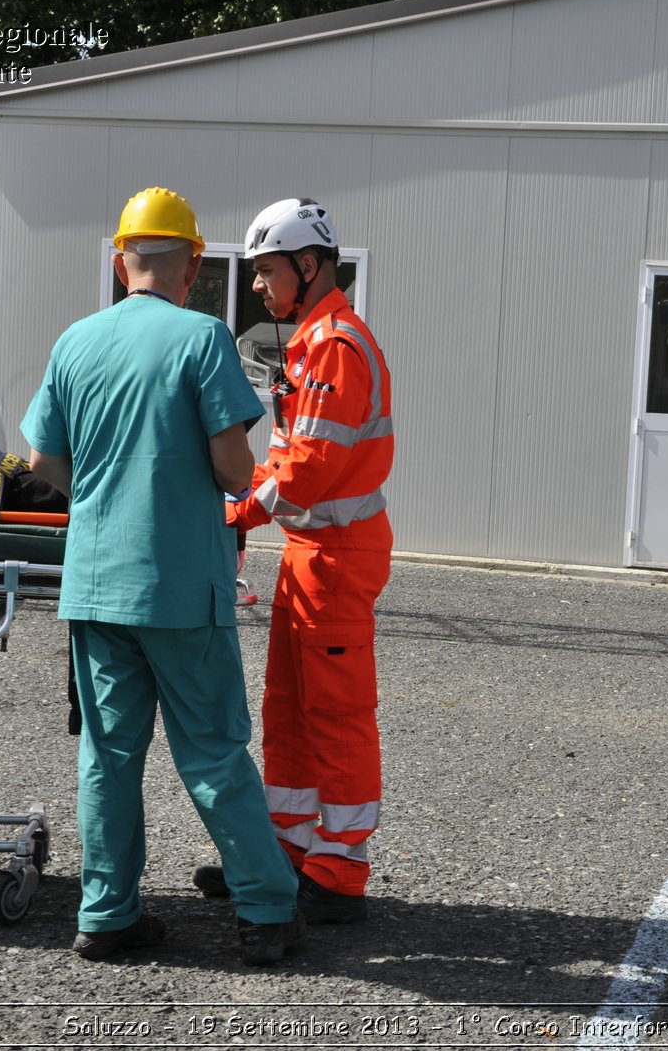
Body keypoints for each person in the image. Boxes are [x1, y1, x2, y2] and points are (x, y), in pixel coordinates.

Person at [20, 187, 302, 964]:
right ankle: (267, 910)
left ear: (120, 260)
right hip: (179, 583)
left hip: (97, 582)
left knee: (108, 756)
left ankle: (107, 915)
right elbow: (231, 466)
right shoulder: (204, 338)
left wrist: (104, 493)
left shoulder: (76, 341)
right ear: (195, 266)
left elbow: (42, 458)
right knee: (212, 749)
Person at [192, 197, 393, 925]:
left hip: (337, 555)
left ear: (307, 267)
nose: (255, 285)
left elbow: (305, 469)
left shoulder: (336, 345)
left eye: (266, 270)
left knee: (335, 713)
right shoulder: (312, 342)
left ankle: (339, 867)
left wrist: (234, 511)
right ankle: (288, 848)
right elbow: (288, 459)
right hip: (314, 553)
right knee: (290, 707)